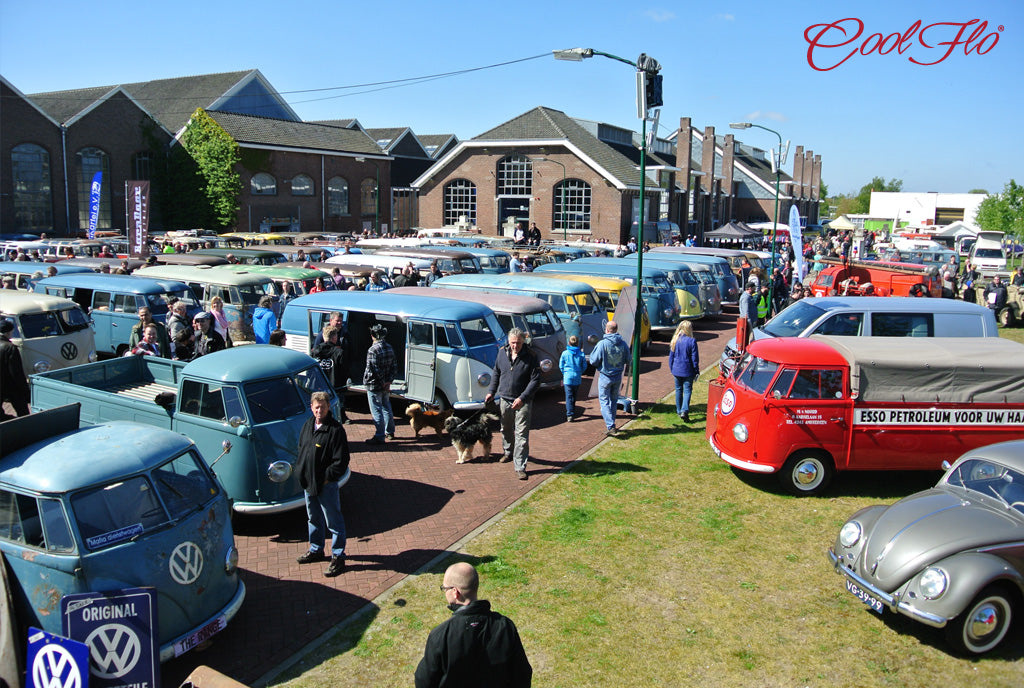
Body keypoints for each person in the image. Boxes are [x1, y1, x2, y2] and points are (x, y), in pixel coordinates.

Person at [414, 562, 532, 688]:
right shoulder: (504, 627)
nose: (444, 592)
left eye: (444, 588)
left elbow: (424, 681)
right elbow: (522, 674)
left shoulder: (441, 635)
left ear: (455, 592)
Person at [295, 391, 349, 578]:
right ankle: (316, 549)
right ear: (311, 407)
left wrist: (327, 478)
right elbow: (301, 450)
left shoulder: (335, 430)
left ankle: (338, 555)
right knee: (313, 518)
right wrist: (301, 472)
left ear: (328, 408)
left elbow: (341, 461)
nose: (319, 410)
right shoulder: (308, 425)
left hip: (326, 486)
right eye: (316, 407)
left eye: (323, 407)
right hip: (309, 484)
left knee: (334, 521)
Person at [484, 328, 540, 480]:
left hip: (523, 401)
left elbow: (535, 380)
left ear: (523, 341)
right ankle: (508, 452)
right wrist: (491, 391)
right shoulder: (502, 352)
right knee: (505, 428)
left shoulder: (531, 356)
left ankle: (520, 466)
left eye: (519, 343)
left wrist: (522, 398)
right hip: (505, 398)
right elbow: (496, 372)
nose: (515, 346)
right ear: (508, 342)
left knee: (522, 434)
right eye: (513, 343)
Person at [588, 321, 630, 437]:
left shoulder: (602, 344)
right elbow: (628, 359)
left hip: (605, 377)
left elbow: (593, 360)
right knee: (613, 401)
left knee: (604, 401)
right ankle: (611, 423)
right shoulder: (623, 343)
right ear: (616, 330)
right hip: (617, 377)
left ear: (606, 330)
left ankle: (610, 426)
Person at [364, 324, 396, 444]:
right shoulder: (389, 347)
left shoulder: (372, 350)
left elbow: (373, 369)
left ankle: (379, 435)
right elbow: (394, 366)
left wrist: (383, 382)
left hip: (374, 385)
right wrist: (388, 382)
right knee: (386, 407)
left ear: (372, 335)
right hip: (386, 384)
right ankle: (390, 431)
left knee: (376, 410)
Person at [312, 324, 351, 424]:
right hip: (336, 385)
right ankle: (340, 418)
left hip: (319, 385)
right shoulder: (339, 352)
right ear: (334, 338)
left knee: (320, 407)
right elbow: (344, 370)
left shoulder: (315, 352)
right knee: (338, 406)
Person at [668, 321, 699, 422]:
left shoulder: (675, 340)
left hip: (676, 369)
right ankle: (684, 410)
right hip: (688, 370)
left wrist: (671, 368)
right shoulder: (692, 341)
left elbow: (671, 357)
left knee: (678, 390)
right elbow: (694, 358)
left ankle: (678, 410)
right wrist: (696, 370)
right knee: (687, 390)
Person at [1, 318, 31, 419]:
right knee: (23, 415)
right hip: (11, 387)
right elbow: (16, 373)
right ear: (9, 332)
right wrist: (26, 392)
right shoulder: (10, 348)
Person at [558, 334, 586, 422]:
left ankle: (569, 414)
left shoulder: (565, 353)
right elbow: (584, 366)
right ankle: (572, 410)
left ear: (569, 343)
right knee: (574, 395)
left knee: (568, 396)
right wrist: (580, 372)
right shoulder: (581, 354)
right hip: (577, 377)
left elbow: (561, 365)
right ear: (577, 343)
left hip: (567, 377)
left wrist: (564, 372)